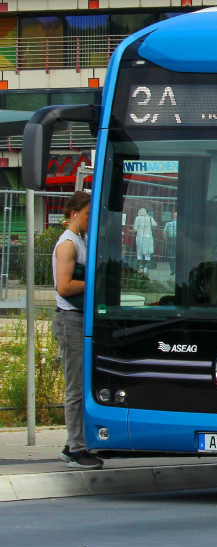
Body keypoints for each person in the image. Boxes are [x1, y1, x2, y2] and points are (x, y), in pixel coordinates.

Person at [53, 191, 101, 469]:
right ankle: (77, 449)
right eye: (86, 214)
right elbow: (64, 286)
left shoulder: (82, 240)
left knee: (85, 383)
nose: (89, 219)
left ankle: (74, 441)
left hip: (81, 317)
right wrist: (96, 284)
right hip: (70, 318)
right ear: (74, 214)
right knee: (76, 386)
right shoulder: (68, 244)